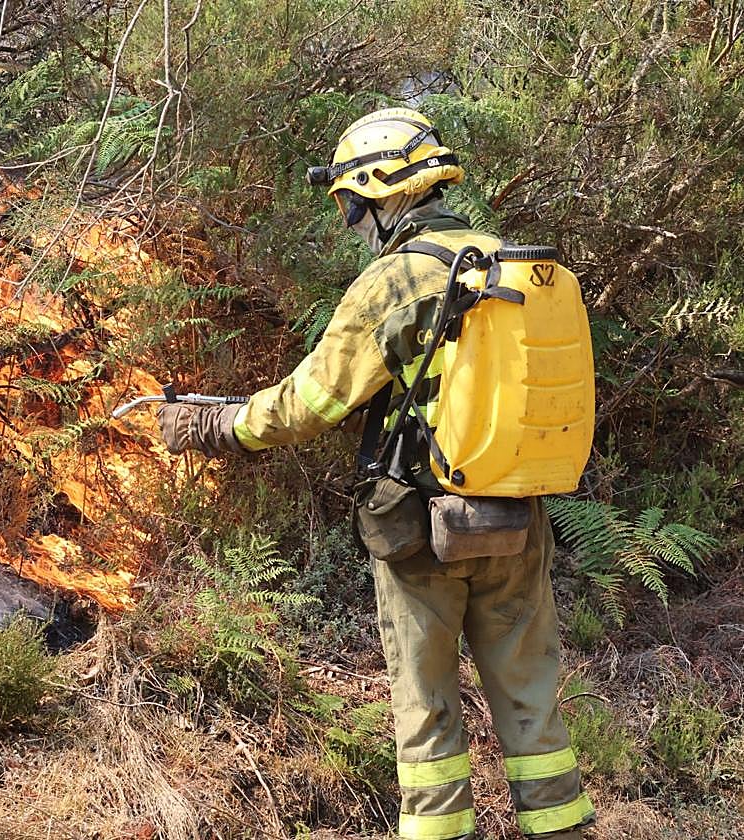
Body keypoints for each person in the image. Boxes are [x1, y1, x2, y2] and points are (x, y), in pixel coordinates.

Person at [156, 108, 595, 840]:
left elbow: (310, 402)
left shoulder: (397, 279)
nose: (349, 221)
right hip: (516, 519)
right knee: (530, 698)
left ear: (376, 191)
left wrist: (213, 425)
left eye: (348, 205)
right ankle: (561, 828)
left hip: (418, 529)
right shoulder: (506, 260)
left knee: (424, 711)